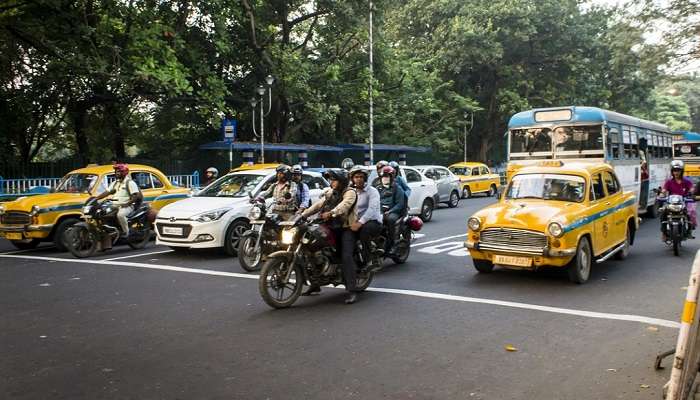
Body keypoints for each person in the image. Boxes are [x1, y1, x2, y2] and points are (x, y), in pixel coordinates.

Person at [301, 169, 360, 304]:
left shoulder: (350, 192)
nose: (332, 182)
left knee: (346, 256)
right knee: (311, 248)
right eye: (331, 180)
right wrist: (302, 215)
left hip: (346, 228)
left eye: (334, 179)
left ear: (342, 181)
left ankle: (352, 290)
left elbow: (344, 206)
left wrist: (331, 213)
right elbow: (317, 205)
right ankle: (315, 284)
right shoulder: (330, 192)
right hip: (330, 227)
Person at [92, 163, 142, 237]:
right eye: (116, 172)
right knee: (103, 212)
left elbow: (136, 196)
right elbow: (107, 192)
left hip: (127, 206)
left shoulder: (130, 183)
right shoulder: (115, 183)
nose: (117, 173)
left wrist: (127, 203)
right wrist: (96, 198)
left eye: (119, 171)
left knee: (120, 215)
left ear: (124, 172)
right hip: (115, 205)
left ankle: (126, 232)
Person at [349, 165, 383, 266]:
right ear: (352, 179)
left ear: (365, 178)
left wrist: (360, 222)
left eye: (361, 177)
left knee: (364, 231)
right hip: (356, 221)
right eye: (356, 177)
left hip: (373, 221)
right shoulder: (351, 191)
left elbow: (371, 209)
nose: (358, 179)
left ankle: (368, 260)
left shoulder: (372, 191)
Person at [661, 160, 695, 240]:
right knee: (663, 215)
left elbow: (692, 188)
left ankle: (689, 231)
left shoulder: (686, 181)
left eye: (678, 171)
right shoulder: (669, 182)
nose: (676, 173)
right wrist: (661, 194)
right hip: (671, 204)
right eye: (674, 171)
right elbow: (664, 190)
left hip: (683, 203)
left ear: (681, 171)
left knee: (690, 213)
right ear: (672, 172)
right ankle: (664, 233)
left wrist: (691, 192)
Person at [376, 166, 406, 255]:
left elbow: (400, 204)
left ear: (392, 177)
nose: (384, 178)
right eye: (383, 177)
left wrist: (390, 211)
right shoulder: (378, 188)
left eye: (387, 176)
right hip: (380, 211)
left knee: (390, 220)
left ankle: (393, 243)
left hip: (393, 212)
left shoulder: (398, 188)